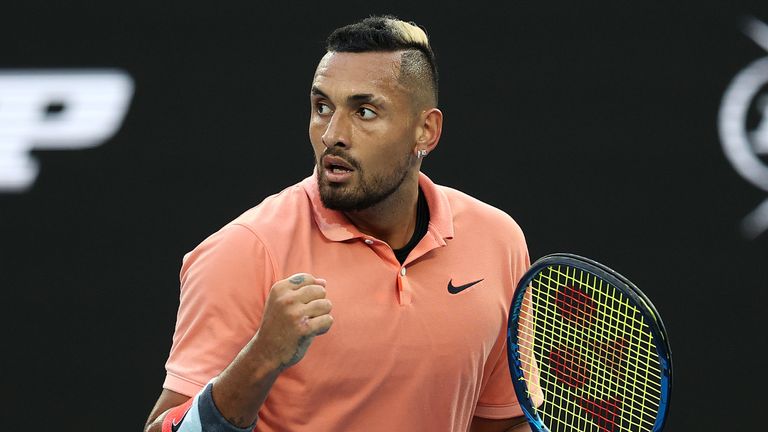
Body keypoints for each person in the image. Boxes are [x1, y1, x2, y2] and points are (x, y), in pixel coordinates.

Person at [144, 15, 533, 432]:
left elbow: (503, 421)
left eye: (364, 111)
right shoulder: (244, 250)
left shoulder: (497, 240)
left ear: (426, 130)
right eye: (322, 107)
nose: (332, 134)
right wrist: (260, 357)